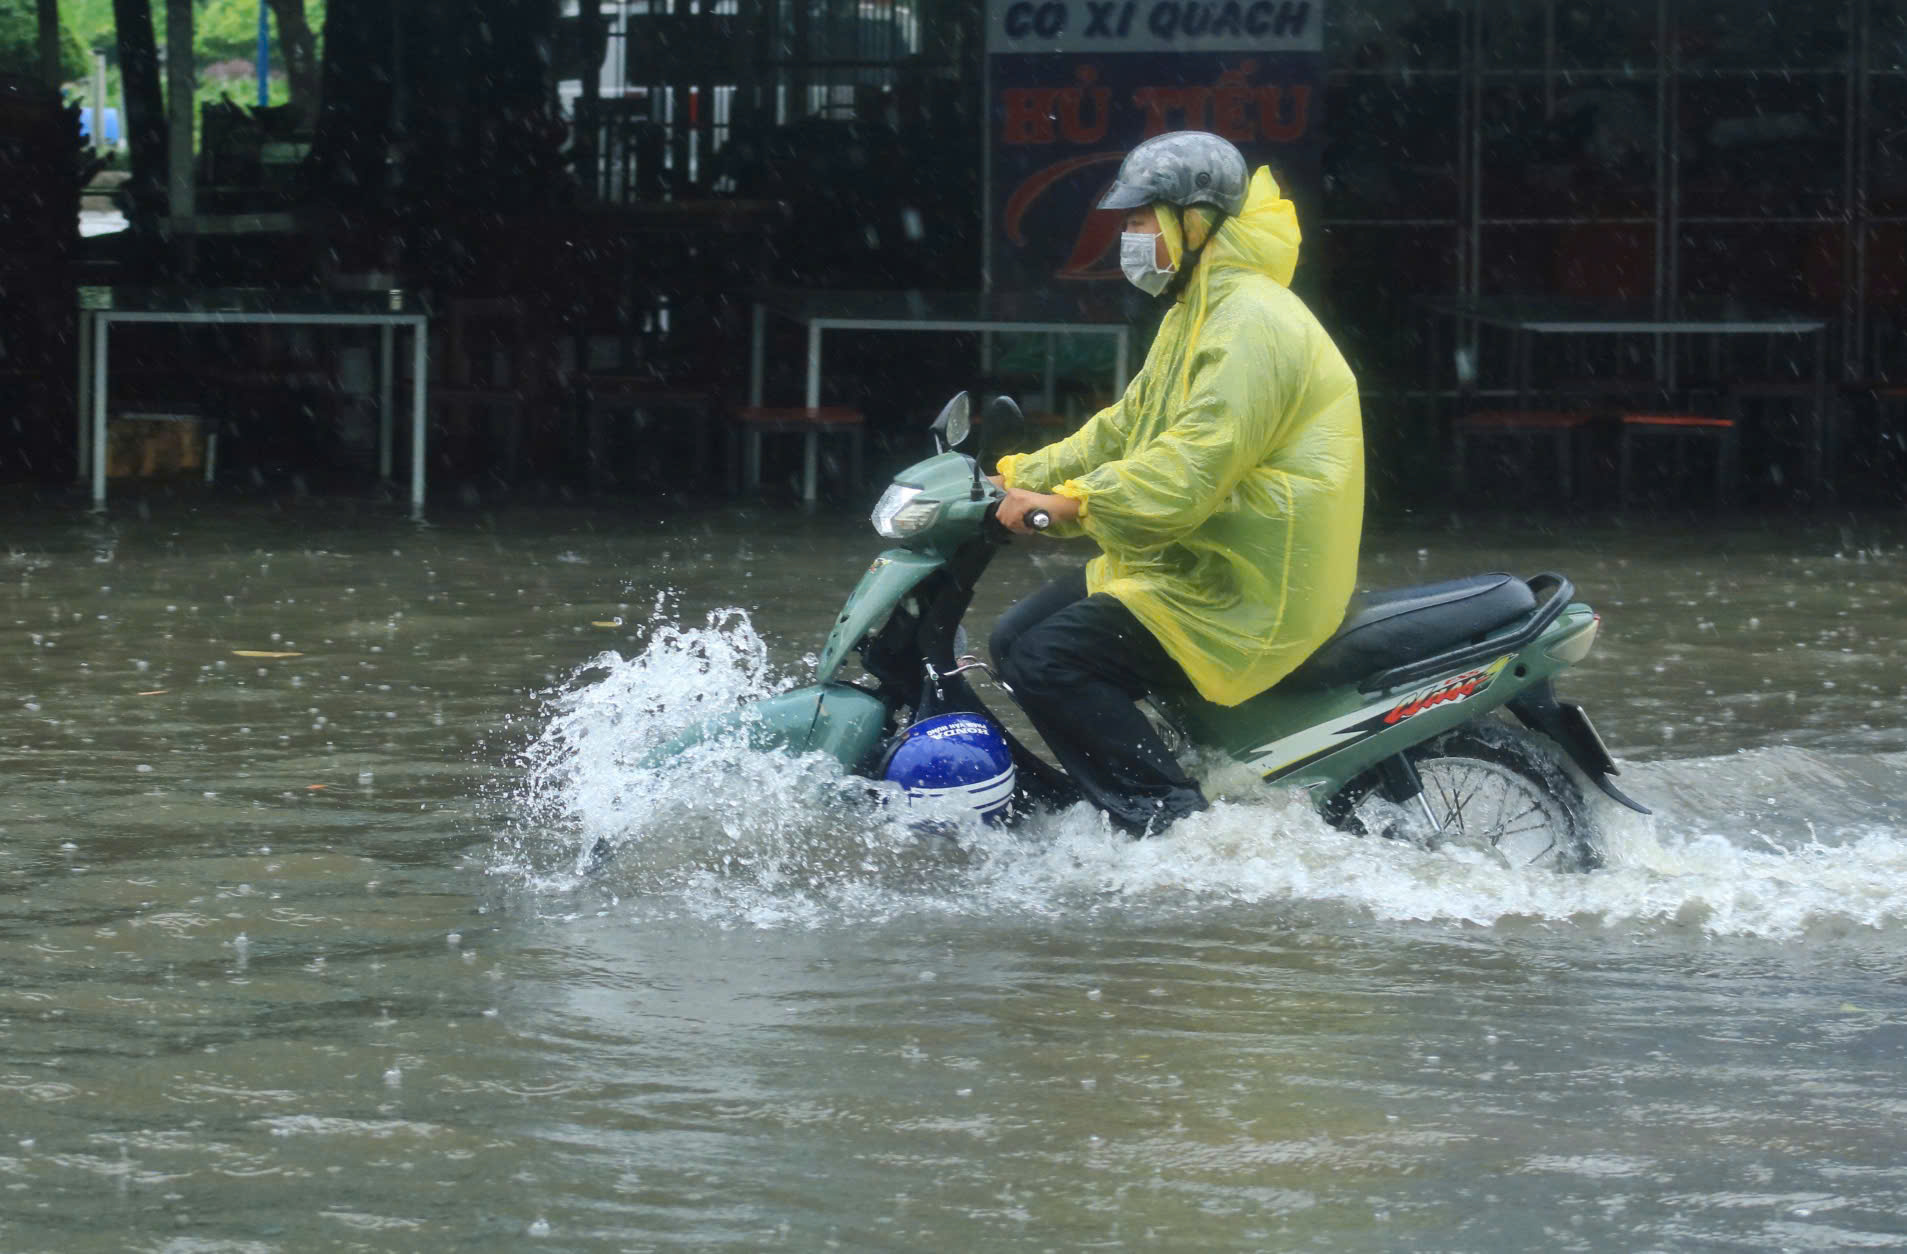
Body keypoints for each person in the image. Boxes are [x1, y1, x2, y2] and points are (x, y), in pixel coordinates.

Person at [988, 131, 1365, 836]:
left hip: (1251, 577)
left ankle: (1172, 830)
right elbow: (1123, 429)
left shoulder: (1250, 319)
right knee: (1016, 637)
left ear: (1192, 224)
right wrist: (1010, 476)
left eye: (1137, 221)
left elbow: (1192, 465)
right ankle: (1127, 791)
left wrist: (1073, 502)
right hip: (1201, 559)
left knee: (1049, 658)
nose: (1126, 238)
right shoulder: (1195, 311)